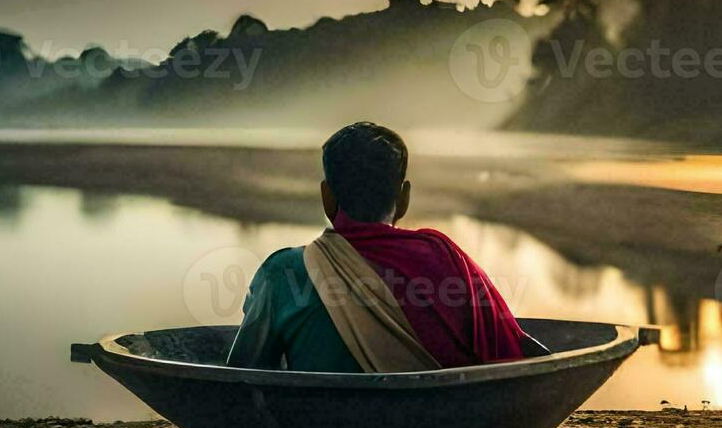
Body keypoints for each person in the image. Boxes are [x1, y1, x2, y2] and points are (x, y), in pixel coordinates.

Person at [226, 122, 536, 373]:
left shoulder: (283, 272)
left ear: (326, 197)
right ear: (404, 198)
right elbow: (514, 358)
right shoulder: (450, 262)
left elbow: (243, 374)